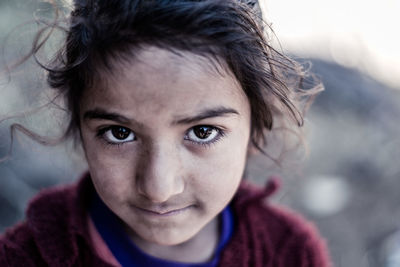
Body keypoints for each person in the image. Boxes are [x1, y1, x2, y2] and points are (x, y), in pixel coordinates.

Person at [0, 0, 331, 266]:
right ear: (79, 129)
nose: (159, 188)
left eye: (202, 132)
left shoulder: (290, 252)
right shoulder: (26, 256)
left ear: (255, 130)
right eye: (118, 133)